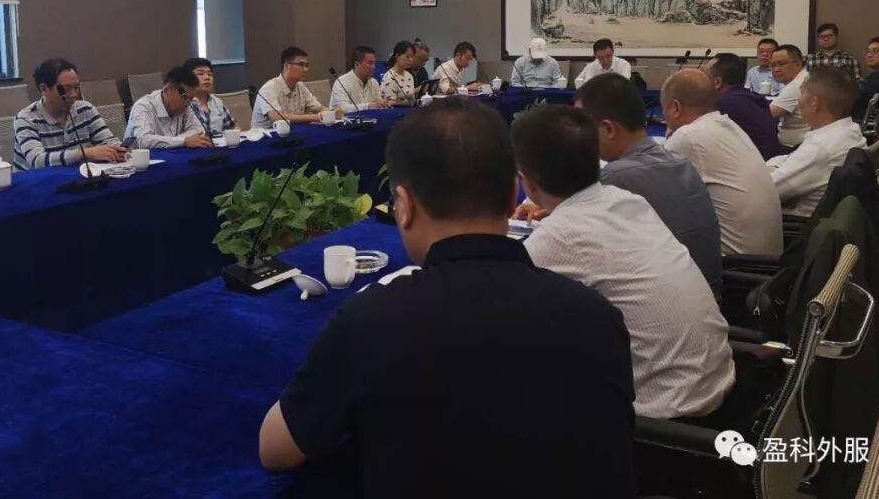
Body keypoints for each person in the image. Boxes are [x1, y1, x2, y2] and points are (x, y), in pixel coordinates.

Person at [260, 99, 637, 496]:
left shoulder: (370, 321)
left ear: (404, 206)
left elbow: (276, 450)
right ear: (514, 192)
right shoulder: (599, 316)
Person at [512, 104, 734, 419]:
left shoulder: (559, 236)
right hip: (717, 384)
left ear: (527, 182)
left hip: (663, 418)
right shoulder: (629, 201)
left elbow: (496, 309)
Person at [575, 73, 722, 297]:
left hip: (663, 308)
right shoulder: (681, 163)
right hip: (709, 299)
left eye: (582, 128)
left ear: (608, 129)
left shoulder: (615, 177)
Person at [661, 70, 783, 257]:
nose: (664, 116)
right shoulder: (729, 126)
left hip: (732, 263)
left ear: (676, 108)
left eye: (664, 109)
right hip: (765, 259)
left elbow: (655, 201)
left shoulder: (688, 136)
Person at [768, 68, 866, 217]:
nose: (799, 101)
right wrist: (773, 166)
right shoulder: (850, 130)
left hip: (794, 222)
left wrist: (767, 169)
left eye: (801, 93)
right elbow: (790, 159)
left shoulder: (820, 148)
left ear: (814, 102)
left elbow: (765, 191)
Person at [13, 58, 126, 169]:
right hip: (37, 179)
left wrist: (119, 149)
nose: (73, 95)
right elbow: (37, 161)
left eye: (76, 88)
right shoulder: (26, 119)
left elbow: (109, 142)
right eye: (65, 89)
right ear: (44, 89)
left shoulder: (85, 110)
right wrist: (85, 153)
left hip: (78, 176)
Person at [707, 53, 782, 160]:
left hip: (750, 163)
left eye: (704, 76)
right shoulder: (756, 98)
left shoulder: (721, 104)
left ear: (717, 82)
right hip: (770, 160)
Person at [251, 47, 340, 129]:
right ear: (286, 66)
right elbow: (277, 117)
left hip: (293, 134)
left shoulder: (300, 86)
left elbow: (319, 109)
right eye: (301, 65)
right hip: (265, 137)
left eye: (306, 65)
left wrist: (332, 113)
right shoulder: (269, 88)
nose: (305, 69)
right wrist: (315, 117)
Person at [124, 66, 211, 149]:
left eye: (191, 98)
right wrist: (183, 141)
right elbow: (143, 140)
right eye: (184, 97)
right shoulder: (143, 106)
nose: (187, 103)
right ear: (167, 90)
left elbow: (198, 131)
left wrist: (177, 141)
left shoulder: (188, 104)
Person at [183, 57, 237, 136]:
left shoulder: (217, 102)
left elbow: (232, 127)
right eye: (200, 74)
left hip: (220, 143)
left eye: (210, 74)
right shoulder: (183, 103)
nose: (207, 77)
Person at [769, 44, 810, 147]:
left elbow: (767, 114)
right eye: (773, 65)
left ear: (798, 64)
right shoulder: (804, 77)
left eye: (781, 64)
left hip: (794, 148)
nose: (776, 69)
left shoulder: (797, 84)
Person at [329, 46, 389, 112]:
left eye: (374, 63)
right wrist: (369, 106)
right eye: (370, 63)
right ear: (357, 64)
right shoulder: (342, 82)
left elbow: (378, 103)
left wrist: (382, 103)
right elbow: (343, 108)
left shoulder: (374, 82)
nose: (373, 67)